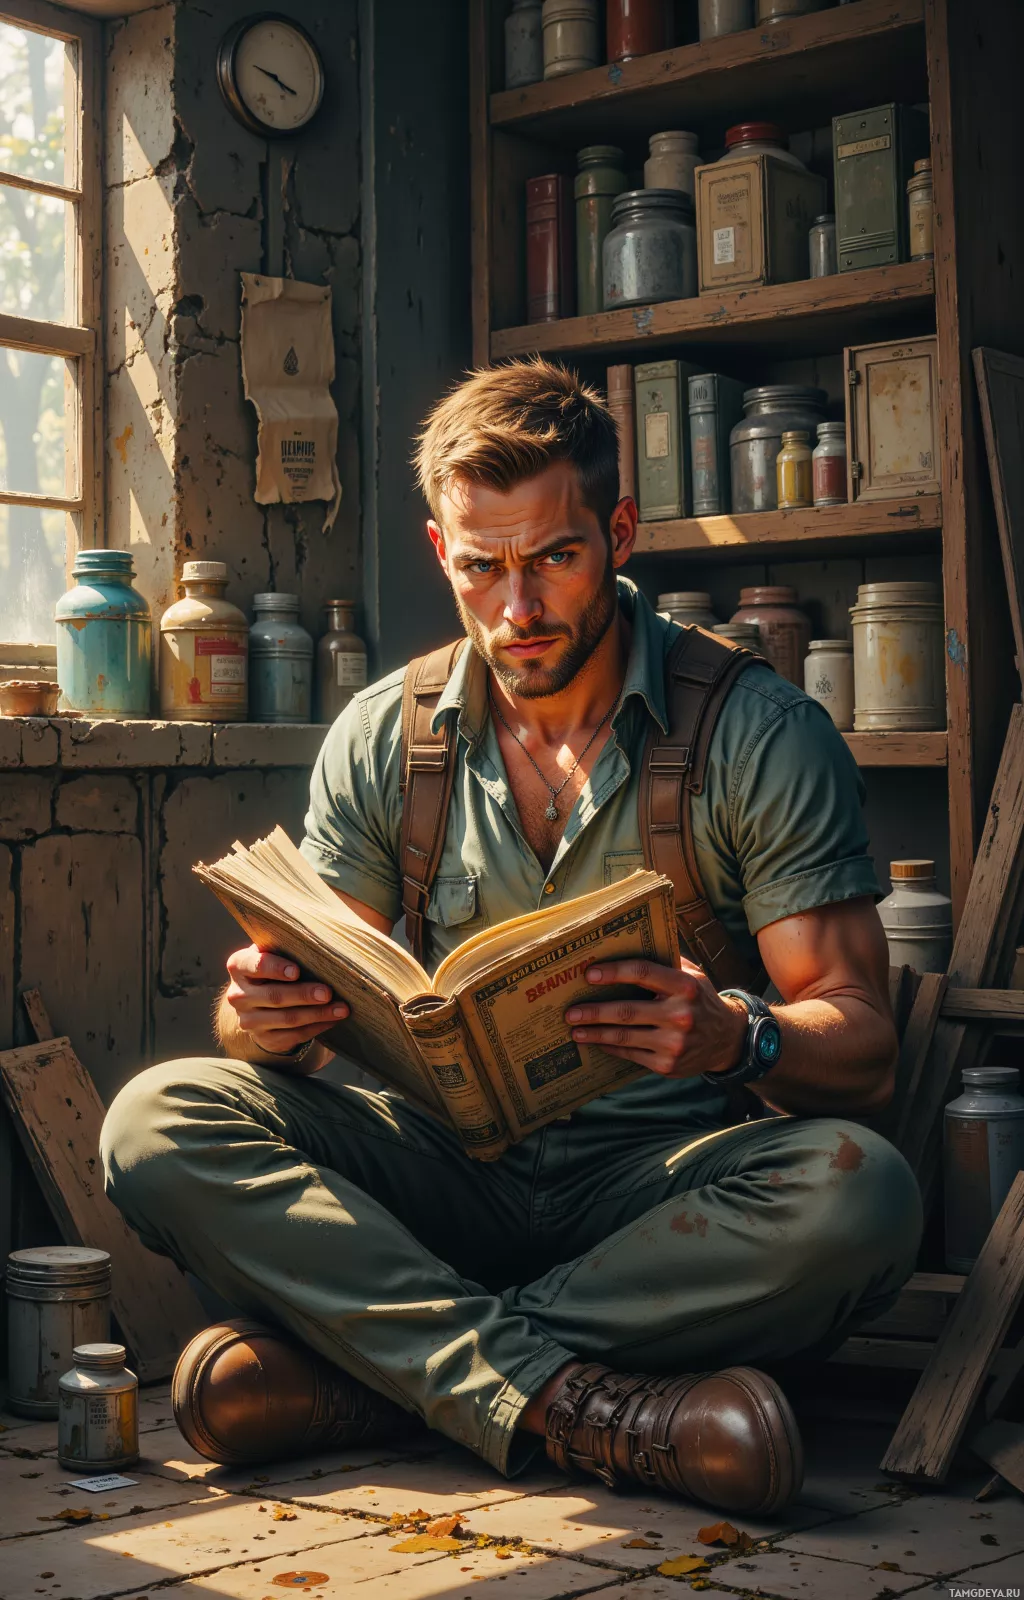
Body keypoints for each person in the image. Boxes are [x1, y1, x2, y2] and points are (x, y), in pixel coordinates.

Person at [101, 358, 922, 1516]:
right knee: (157, 1117)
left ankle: (385, 1380)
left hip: (657, 1200)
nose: (516, 609)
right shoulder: (386, 734)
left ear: (620, 533)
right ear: (442, 553)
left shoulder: (759, 733)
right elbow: (293, 999)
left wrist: (734, 1036)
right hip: (442, 1179)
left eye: (554, 560)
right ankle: (584, 1404)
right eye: (480, 568)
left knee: (863, 1195)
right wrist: (260, 1018)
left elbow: (866, 1052)